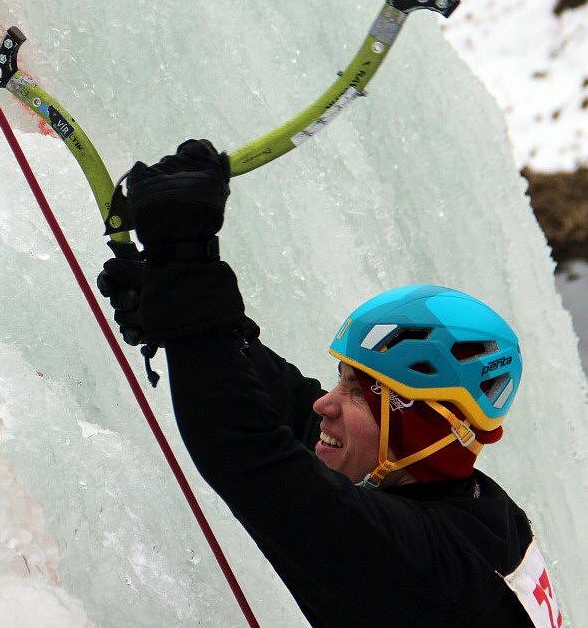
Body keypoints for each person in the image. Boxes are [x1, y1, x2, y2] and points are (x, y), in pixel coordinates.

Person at [97, 139, 563, 628]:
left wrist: (185, 263)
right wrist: (182, 300)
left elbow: (251, 458)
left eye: (360, 392)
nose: (326, 402)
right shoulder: (477, 511)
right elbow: (298, 415)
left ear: (427, 426)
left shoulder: (421, 571)